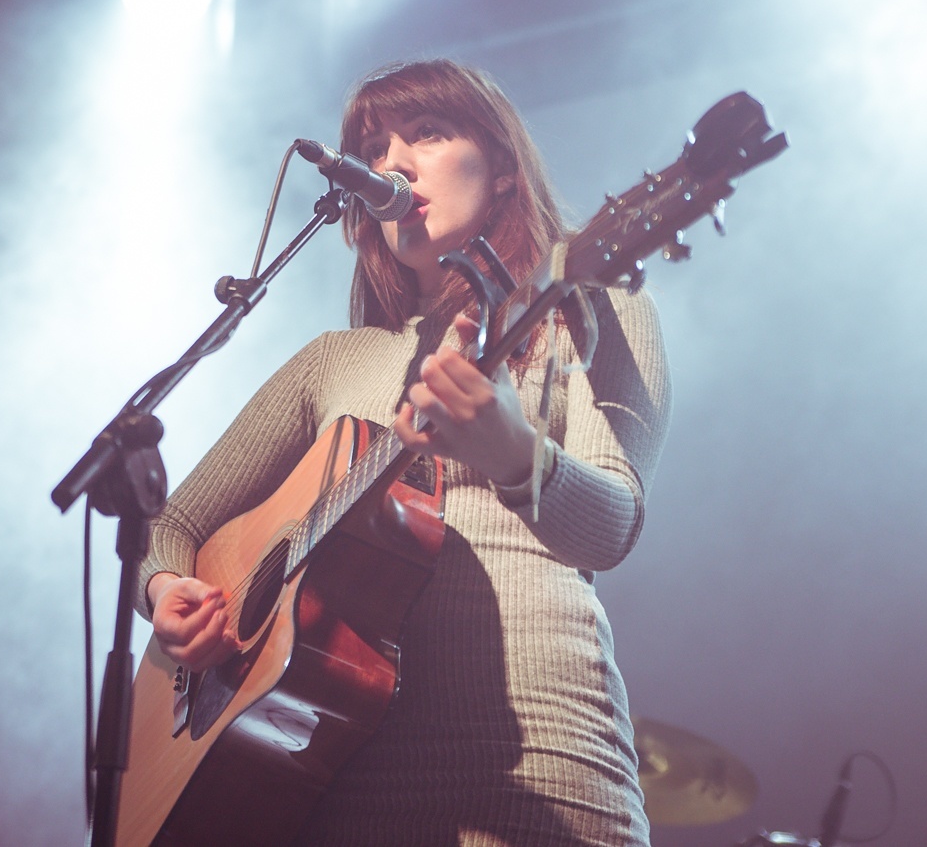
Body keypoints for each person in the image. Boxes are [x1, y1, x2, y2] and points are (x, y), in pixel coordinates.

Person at [134, 58, 672, 846]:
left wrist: (513, 451)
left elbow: (613, 527)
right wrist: (166, 590)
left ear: (498, 170)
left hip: (540, 778)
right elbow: (171, 519)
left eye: (425, 132)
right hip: (327, 792)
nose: (392, 162)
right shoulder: (333, 360)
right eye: (375, 147)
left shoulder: (588, 306)